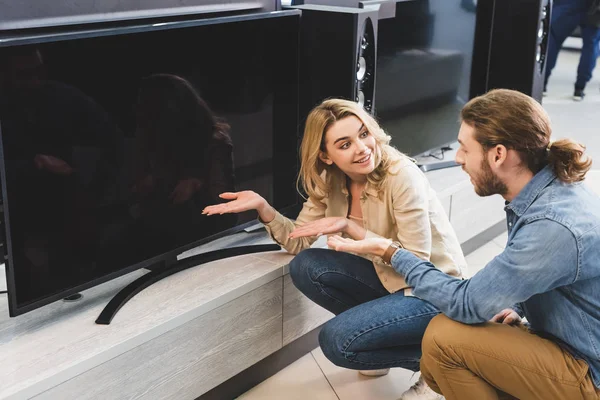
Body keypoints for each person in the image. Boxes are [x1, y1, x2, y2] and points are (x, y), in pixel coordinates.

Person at [325, 89, 600, 400]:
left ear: (498, 155)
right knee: (437, 358)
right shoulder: (545, 191)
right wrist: (517, 305)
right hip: (572, 344)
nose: (457, 159)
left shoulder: (551, 224)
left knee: (444, 338)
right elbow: (546, 273)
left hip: (589, 374)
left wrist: (391, 252)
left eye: (464, 149)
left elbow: (467, 305)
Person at [203, 98, 466, 400]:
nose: (363, 148)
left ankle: (440, 366)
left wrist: (351, 227)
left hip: (433, 290)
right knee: (307, 265)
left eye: (363, 134)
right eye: (344, 144)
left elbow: (416, 261)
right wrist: (263, 208)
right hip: (388, 280)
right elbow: (297, 241)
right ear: (326, 156)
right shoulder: (330, 181)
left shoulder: (401, 176)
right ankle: (392, 345)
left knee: (336, 341)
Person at [544, 0, 600, 101]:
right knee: (591, 45)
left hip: (569, 3)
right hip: (595, 6)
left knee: (554, 39)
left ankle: (543, 83)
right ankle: (580, 88)